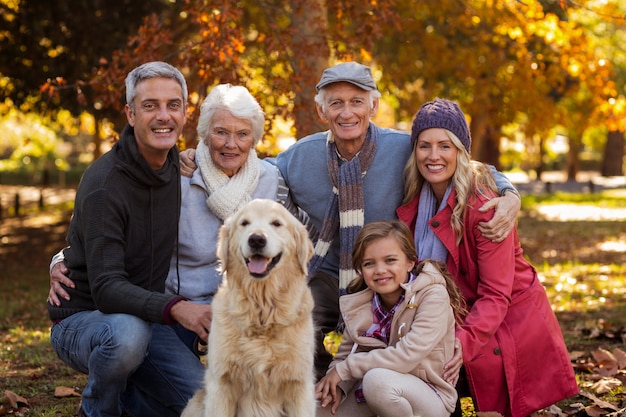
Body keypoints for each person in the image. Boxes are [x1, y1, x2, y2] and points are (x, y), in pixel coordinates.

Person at [180, 61, 521, 380]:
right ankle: (318, 390)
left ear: (373, 106)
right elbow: (252, 165)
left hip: (388, 275)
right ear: (321, 109)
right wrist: (200, 155)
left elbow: (463, 163)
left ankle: (393, 391)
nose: (347, 112)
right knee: (292, 322)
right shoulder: (301, 156)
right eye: (336, 103)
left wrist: (509, 194)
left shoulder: (404, 148)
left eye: (357, 101)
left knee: (398, 348)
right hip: (326, 273)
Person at [49, 83, 314, 356]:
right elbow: (115, 227)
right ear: (205, 135)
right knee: (191, 395)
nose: (231, 144)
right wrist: (62, 259)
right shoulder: (176, 177)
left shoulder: (272, 180)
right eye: (220, 132)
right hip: (180, 311)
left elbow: (296, 239)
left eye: (243, 134)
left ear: (254, 138)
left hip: (248, 308)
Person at [396, 98, 578, 416]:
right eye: (424, 146)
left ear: (461, 151)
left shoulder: (485, 209)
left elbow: (496, 295)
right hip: (451, 318)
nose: (434, 156)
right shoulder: (414, 201)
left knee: (432, 375)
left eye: (445, 146)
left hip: (502, 328)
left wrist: (457, 345)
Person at [46, 61, 209, 417]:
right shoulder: (106, 184)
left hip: (144, 316)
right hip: (87, 319)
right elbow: (105, 288)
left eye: (173, 105)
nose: (163, 116)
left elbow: (245, 159)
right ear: (131, 114)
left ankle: (129, 401)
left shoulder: (173, 165)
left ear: (185, 113)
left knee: (209, 405)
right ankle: (97, 411)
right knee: (127, 336)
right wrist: (179, 308)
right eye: (150, 105)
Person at [315, 220, 465, 417]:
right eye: (369, 263)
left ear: (410, 262)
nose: (380, 270)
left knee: (378, 382)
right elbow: (344, 355)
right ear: (360, 269)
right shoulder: (359, 303)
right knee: (312, 409)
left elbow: (406, 355)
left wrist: (345, 369)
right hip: (371, 389)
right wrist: (337, 387)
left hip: (429, 395)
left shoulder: (432, 295)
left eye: (390, 260)